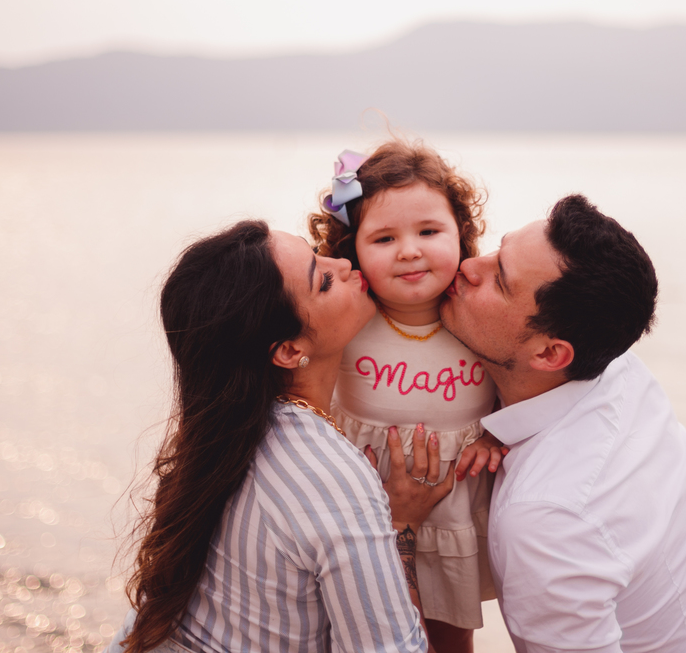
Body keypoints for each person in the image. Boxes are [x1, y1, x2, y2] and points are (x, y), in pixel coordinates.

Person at [439, 194, 686, 653]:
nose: (469, 266)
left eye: (498, 280)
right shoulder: (616, 365)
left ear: (550, 354)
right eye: (499, 248)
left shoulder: (548, 517)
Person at [112, 220, 453, 653]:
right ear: (289, 350)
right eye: (324, 280)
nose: (345, 263)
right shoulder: (331, 476)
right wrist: (400, 526)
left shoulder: (215, 438)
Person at [307, 140, 504, 652]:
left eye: (429, 231)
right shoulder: (350, 322)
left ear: (461, 233)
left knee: (451, 635)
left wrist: (495, 433)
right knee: (356, 627)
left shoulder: (478, 317)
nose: (410, 250)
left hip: (454, 505)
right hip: (366, 504)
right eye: (384, 238)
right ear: (352, 251)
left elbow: (521, 385)